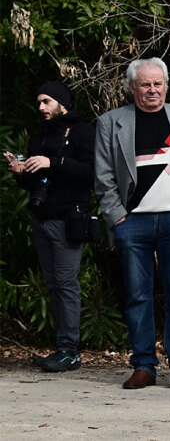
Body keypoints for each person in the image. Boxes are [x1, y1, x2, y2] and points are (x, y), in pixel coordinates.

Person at [94, 57, 170, 390]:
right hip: (131, 223)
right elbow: (103, 177)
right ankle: (144, 365)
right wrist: (117, 217)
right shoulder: (111, 122)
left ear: (166, 84)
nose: (152, 90)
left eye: (158, 83)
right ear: (132, 87)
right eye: (145, 84)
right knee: (137, 296)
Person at [4, 82, 95, 373]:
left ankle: (70, 352)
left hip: (69, 220)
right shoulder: (40, 136)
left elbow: (91, 173)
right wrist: (21, 173)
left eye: (46, 101)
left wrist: (52, 162)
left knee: (67, 285)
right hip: (42, 218)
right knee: (55, 285)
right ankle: (62, 349)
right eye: (38, 102)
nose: (41, 107)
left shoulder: (82, 132)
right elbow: (37, 182)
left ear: (62, 102)